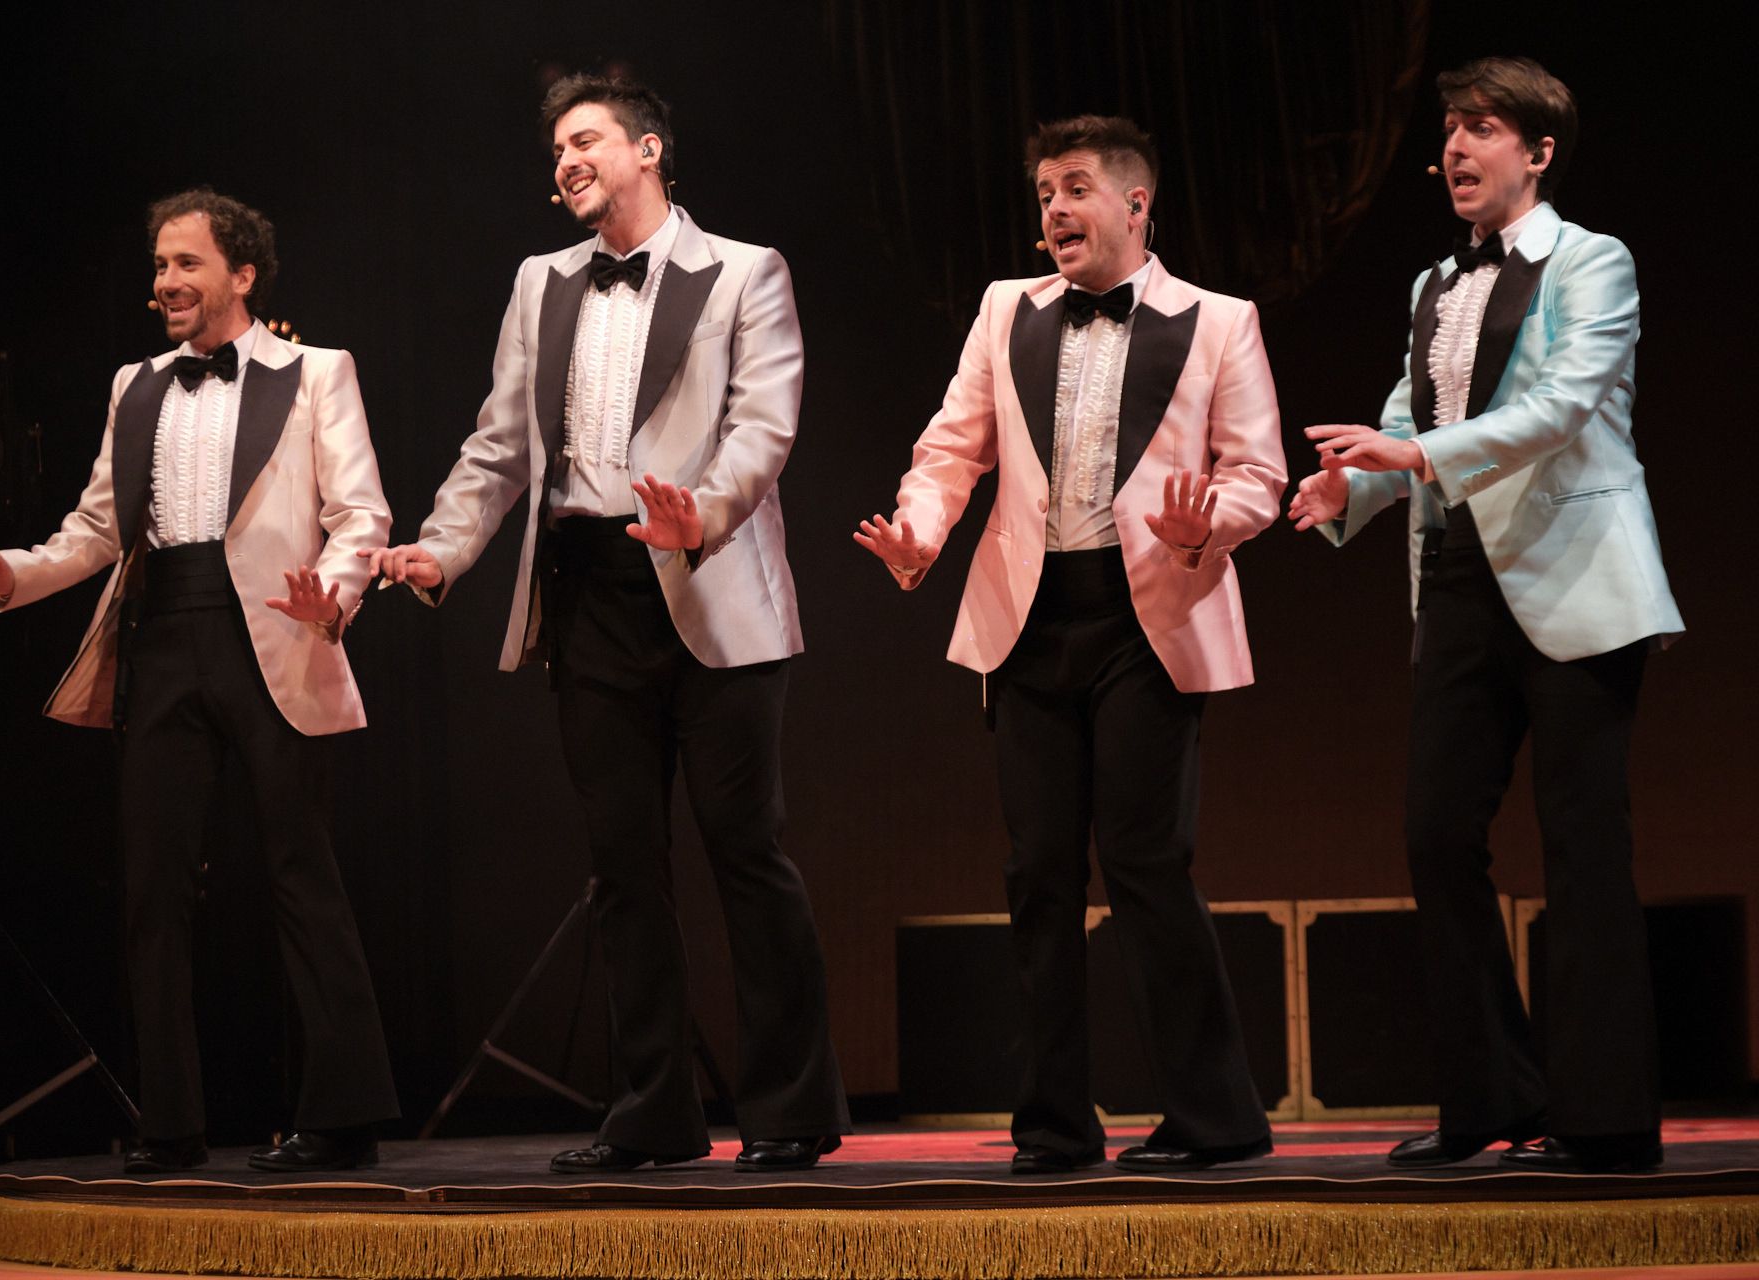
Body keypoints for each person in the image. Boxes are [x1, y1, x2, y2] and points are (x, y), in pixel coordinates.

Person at [367, 73, 848, 1173]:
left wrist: (701, 514)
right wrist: (443, 547)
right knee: (622, 864)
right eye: (555, 151)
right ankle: (653, 1113)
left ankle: (790, 1108)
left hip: (709, 581)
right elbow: (499, 444)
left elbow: (764, 425)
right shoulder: (539, 282)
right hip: (587, 590)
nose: (566, 161)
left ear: (648, 149)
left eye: (584, 140)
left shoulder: (744, 271)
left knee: (746, 849)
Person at [0, 189, 399, 1174]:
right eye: (158, 265)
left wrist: (333, 593)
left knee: (301, 873)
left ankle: (344, 1113)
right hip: (162, 638)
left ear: (242, 274)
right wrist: (10, 575)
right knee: (152, 888)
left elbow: (360, 513)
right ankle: (171, 1124)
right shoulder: (134, 385)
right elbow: (100, 527)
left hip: (275, 630)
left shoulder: (317, 372)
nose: (166, 282)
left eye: (187, 263)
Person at [857, 114, 1283, 1174]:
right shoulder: (1006, 309)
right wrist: (920, 530)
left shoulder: (1219, 322)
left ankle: (1216, 1117)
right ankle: (1054, 1123)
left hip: (1151, 615)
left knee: (1146, 862)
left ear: (1136, 204)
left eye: (1077, 188)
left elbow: (1258, 475)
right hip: (1032, 618)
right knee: (1038, 872)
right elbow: (951, 448)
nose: (1055, 209)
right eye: (1045, 191)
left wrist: (1209, 524)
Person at [1291, 56, 1680, 1174]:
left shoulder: (1593, 261)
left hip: (1578, 577)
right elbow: (1406, 416)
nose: (1456, 147)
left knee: (1583, 842)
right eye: (1450, 129)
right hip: (1457, 575)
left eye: (1482, 128)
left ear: (1539, 152)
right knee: (1436, 833)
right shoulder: (1433, 283)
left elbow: (1563, 404)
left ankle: (1605, 1120)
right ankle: (1490, 1098)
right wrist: (1351, 492)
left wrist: (1415, 456)